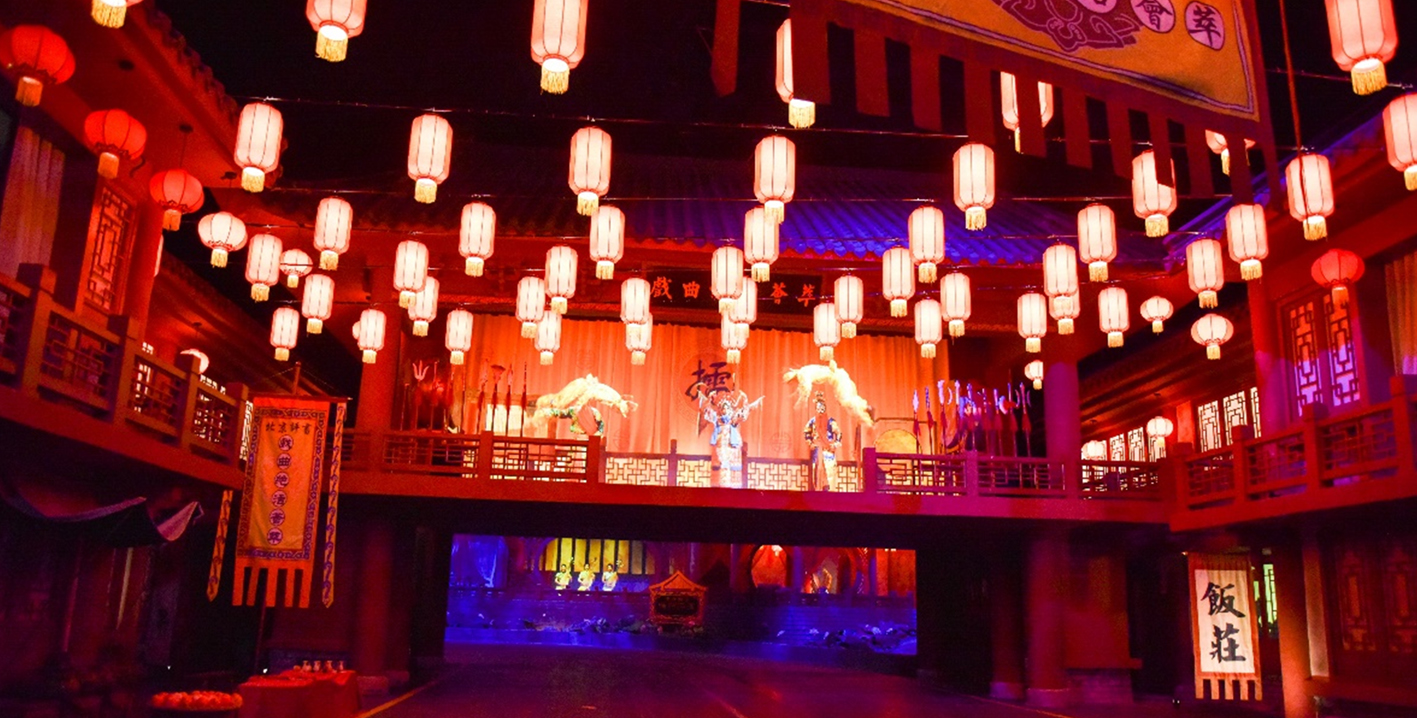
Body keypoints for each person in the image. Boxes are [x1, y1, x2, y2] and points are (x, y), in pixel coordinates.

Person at [692, 373, 763, 488]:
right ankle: (718, 487)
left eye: (727, 408)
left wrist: (745, 399)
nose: (725, 410)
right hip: (720, 443)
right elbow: (706, 411)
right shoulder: (717, 418)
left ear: (730, 409)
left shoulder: (733, 419)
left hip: (732, 443)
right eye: (723, 408)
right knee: (720, 464)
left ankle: (734, 489)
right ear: (720, 409)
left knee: (733, 465)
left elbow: (744, 413)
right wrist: (709, 399)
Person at [804, 391, 841, 491]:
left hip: (828, 449)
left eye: (822, 408)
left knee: (830, 470)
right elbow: (806, 433)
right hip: (817, 449)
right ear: (815, 409)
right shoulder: (812, 421)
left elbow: (838, 433)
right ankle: (817, 490)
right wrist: (810, 443)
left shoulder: (831, 421)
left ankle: (830, 491)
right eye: (818, 408)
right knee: (816, 470)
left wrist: (835, 444)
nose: (820, 410)